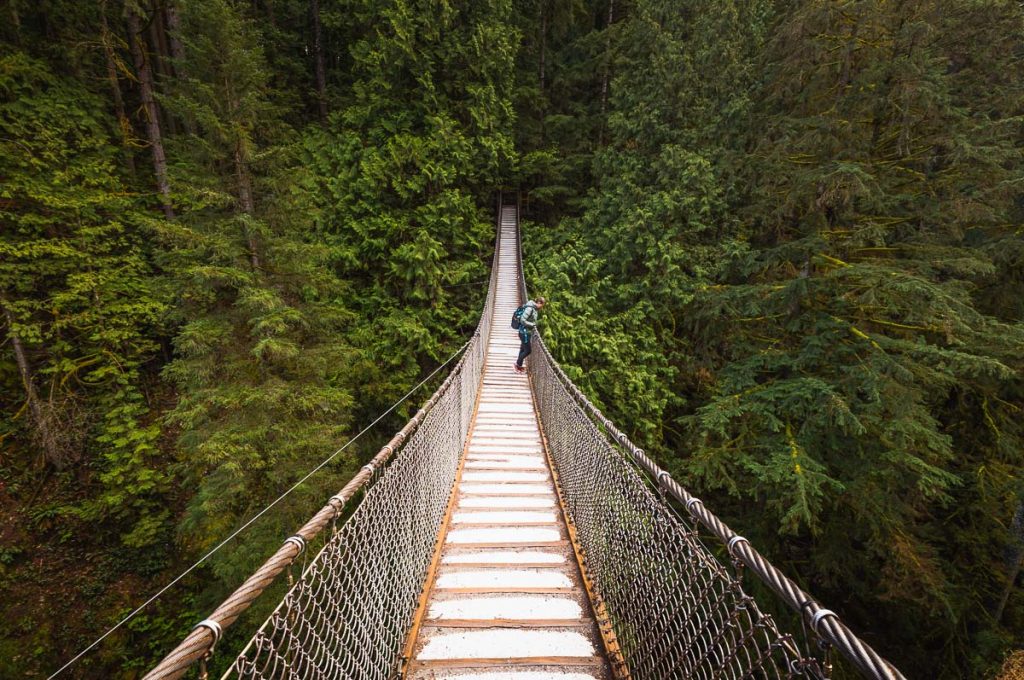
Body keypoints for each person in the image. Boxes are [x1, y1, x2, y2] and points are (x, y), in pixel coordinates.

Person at [514, 296, 545, 373]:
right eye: (542, 305)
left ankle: (519, 366)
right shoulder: (530, 308)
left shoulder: (534, 309)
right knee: (528, 350)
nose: (542, 307)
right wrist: (532, 325)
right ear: (539, 303)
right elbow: (522, 320)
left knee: (523, 349)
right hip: (524, 332)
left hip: (526, 332)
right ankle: (517, 364)